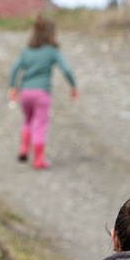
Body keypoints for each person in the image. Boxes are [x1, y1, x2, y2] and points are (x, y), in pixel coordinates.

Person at [7, 16, 77, 170]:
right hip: (41, 94)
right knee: (39, 125)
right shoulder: (52, 51)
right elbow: (66, 70)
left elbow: (14, 69)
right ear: (51, 34)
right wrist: (73, 86)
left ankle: (24, 148)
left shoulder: (27, 51)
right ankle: (38, 160)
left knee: (27, 120)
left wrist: (12, 87)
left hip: (25, 93)